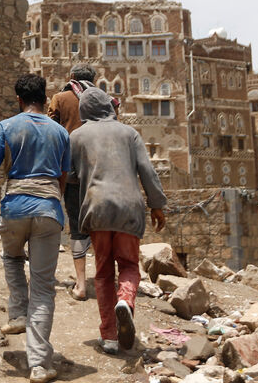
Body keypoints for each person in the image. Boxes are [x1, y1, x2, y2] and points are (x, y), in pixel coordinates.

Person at [0, 73, 71, 383]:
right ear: (45, 98)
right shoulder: (61, 133)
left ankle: (18, 314)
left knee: (12, 258)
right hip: (49, 209)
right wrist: (52, 202)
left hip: (14, 207)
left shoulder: (7, 127)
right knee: (43, 286)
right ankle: (38, 365)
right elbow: (63, 176)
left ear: (18, 100)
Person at [69, 86, 167, 354]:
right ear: (108, 107)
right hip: (128, 209)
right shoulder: (129, 133)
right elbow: (147, 170)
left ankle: (110, 336)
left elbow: (70, 175)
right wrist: (157, 205)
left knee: (102, 273)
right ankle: (125, 300)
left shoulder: (76, 136)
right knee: (129, 265)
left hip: (97, 209)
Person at [46, 63, 107, 301]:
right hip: (101, 172)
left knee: (76, 223)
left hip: (71, 172)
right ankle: (105, 281)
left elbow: (51, 130)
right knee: (101, 225)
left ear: (71, 77)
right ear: (93, 79)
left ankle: (81, 285)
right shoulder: (104, 100)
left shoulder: (60, 99)